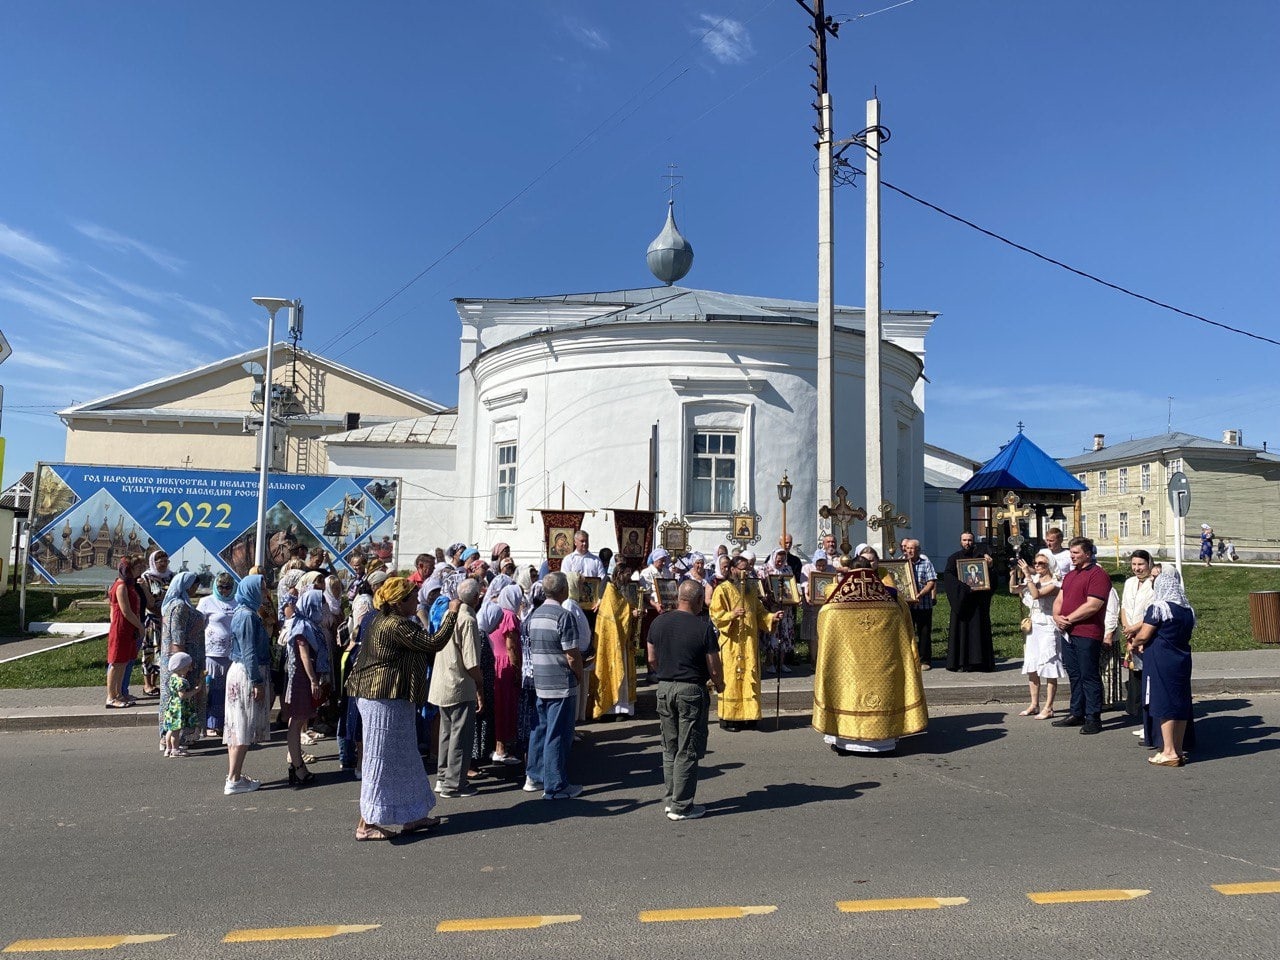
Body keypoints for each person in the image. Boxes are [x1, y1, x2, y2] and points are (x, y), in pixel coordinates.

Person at [345, 576, 459, 840]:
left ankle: (412, 815)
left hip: (391, 697)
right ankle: (366, 824)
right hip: (381, 697)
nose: (417, 601)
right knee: (379, 758)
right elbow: (433, 643)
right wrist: (452, 613)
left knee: (405, 756)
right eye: (412, 597)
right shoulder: (395, 624)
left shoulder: (383, 620)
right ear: (398, 602)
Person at [812, 567, 928, 754]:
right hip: (883, 667)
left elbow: (824, 636)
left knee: (848, 695)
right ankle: (884, 740)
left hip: (849, 668)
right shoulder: (894, 603)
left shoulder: (832, 607)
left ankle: (846, 741)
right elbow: (906, 633)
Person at [647, 580, 724, 821]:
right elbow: (713, 665)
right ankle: (682, 806)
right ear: (699, 600)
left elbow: (651, 658)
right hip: (691, 688)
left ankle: (671, 799)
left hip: (665, 687)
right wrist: (720, 685)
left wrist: (665, 670)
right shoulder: (703, 627)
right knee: (688, 749)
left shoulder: (658, 622)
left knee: (669, 746)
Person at [524, 572, 584, 800]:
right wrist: (578, 674)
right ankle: (555, 785)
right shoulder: (563, 615)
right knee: (557, 734)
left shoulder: (535, 614)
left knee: (540, 730)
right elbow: (571, 655)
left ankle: (535, 775)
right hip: (560, 681)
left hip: (541, 679)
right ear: (562, 591)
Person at [1131, 568, 1196, 766]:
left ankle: (1168, 751)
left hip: (1161, 658)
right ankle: (1177, 748)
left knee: (1163, 703)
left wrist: (1134, 643)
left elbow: (1144, 634)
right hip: (1182, 658)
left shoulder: (1159, 607)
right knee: (1180, 702)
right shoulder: (1187, 610)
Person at [709, 554, 778, 731]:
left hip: (749, 642)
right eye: (742, 569)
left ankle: (749, 715)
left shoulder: (751, 589)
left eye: (748, 569)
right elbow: (715, 615)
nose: (746, 572)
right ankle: (729, 718)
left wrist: (772, 617)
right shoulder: (722, 589)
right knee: (732, 679)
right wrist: (731, 615)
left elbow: (760, 612)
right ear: (732, 570)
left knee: (750, 676)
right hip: (731, 643)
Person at [1051, 537, 1112, 735]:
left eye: (1076, 552)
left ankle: (1093, 717)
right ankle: (1077, 712)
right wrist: (1056, 616)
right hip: (1068, 633)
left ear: (1087, 553)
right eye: (1071, 552)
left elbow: (1093, 605)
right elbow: (1060, 599)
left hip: (1087, 632)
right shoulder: (1070, 576)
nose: (1072, 555)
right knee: (1074, 674)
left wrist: (1068, 619)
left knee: (1089, 675)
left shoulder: (1097, 575)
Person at [431, 578, 485, 798]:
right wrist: (480, 686)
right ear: (475, 598)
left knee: (447, 733)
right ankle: (455, 784)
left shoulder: (449, 613)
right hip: (459, 684)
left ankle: (444, 777)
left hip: (443, 682)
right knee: (460, 737)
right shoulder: (468, 620)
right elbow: (471, 662)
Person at [224, 575, 272, 795]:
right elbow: (249, 652)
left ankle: (234, 775)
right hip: (246, 674)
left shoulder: (245, 612)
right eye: (262, 589)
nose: (265, 592)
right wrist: (256, 681)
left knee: (237, 726)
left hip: (242, 672)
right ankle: (234, 779)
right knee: (242, 727)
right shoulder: (247, 617)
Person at [284, 590, 330, 787]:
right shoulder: (302, 626)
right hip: (301, 678)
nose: (323, 609)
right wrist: (313, 680)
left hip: (307, 676)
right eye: (320, 605)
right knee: (297, 720)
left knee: (301, 718)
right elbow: (303, 656)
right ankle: (297, 766)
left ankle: (298, 765)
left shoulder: (310, 624)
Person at [1011, 551, 1063, 719]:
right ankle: (1034, 704)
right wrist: (1013, 574)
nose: (1038, 566)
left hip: (1048, 626)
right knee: (1032, 665)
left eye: (1042, 563)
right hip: (1034, 626)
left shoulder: (1056, 584)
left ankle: (1049, 706)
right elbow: (1014, 590)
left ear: (1050, 566)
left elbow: (1036, 594)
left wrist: (1027, 574)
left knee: (1048, 666)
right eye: (1036, 563)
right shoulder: (1034, 580)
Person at [158, 570, 205, 751]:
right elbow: (177, 639)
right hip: (182, 663)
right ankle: (174, 739)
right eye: (194, 585)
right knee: (179, 700)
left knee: (176, 701)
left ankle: (175, 738)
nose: (195, 589)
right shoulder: (179, 607)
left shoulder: (176, 604)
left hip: (182, 662)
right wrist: (184, 665)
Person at [591, 563, 641, 719]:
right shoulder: (610, 590)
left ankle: (623, 708)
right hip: (612, 641)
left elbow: (623, 608)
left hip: (622, 640)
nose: (628, 578)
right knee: (613, 670)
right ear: (619, 574)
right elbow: (614, 616)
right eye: (626, 574)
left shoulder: (619, 590)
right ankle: (612, 709)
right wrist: (630, 613)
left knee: (623, 674)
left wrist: (635, 611)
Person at [941, 533, 995, 672]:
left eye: (970, 540)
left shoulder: (981, 558)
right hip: (962, 602)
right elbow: (948, 577)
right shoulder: (954, 558)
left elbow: (990, 578)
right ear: (960, 541)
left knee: (979, 630)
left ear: (973, 541)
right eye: (964, 540)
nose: (967, 543)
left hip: (978, 602)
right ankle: (960, 662)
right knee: (961, 631)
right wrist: (965, 588)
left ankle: (980, 663)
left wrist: (990, 566)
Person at [486, 584, 524, 763]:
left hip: (495, 661)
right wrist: (517, 668)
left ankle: (499, 744)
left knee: (498, 705)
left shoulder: (496, 611)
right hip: (506, 663)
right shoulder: (510, 616)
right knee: (505, 705)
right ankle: (501, 747)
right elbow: (511, 645)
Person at [198, 573, 236, 738]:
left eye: (228, 587)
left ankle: (223, 723)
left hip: (232, 653)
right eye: (221, 587)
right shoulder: (206, 602)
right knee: (211, 689)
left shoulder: (237, 601)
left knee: (227, 691)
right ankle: (209, 723)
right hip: (212, 653)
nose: (225, 591)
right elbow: (199, 624)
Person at [1120, 550, 1156, 726]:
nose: (1137, 568)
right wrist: (1127, 628)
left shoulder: (1154, 584)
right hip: (1131, 635)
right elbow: (1124, 607)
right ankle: (1139, 715)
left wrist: (1134, 629)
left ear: (1149, 564)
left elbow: (1153, 612)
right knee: (1135, 674)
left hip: (1146, 634)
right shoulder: (1130, 582)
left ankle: (1149, 718)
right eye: (1134, 564)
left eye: (1140, 564)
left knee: (1147, 676)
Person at [106, 556, 145, 709]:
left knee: (124, 661)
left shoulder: (130, 585)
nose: (140, 571)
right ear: (128, 570)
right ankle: (111, 696)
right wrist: (140, 626)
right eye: (137, 568)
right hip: (122, 626)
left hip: (129, 628)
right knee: (116, 662)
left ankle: (119, 693)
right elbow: (125, 611)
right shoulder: (121, 585)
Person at [139, 550, 174, 697]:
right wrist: (156, 610)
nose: (164, 564)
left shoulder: (171, 577)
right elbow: (146, 599)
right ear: (154, 562)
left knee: (163, 651)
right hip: (152, 620)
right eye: (161, 562)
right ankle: (147, 684)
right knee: (150, 651)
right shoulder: (147, 577)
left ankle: (157, 682)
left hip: (167, 620)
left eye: (166, 561)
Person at [903, 540, 937, 670]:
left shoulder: (926, 563)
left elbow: (931, 582)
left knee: (924, 634)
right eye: (908, 548)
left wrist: (920, 594)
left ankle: (924, 660)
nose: (910, 551)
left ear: (918, 550)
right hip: (907, 606)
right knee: (907, 633)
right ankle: (909, 659)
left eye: (912, 548)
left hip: (923, 605)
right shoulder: (902, 564)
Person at [762, 548, 796, 675]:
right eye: (778, 558)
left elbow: (791, 586)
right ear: (773, 556)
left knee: (784, 635)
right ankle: (770, 662)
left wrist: (793, 597)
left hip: (785, 609)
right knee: (772, 634)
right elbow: (761, 585)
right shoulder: (765, 569)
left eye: (782, 558)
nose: (780, 561)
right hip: (771, 608)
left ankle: (781, 663)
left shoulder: (787, 569)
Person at [161, 652, 199, 757]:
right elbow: (182, 695)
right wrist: (195, 691)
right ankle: (175, 749)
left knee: (170, 729)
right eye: (187, 667)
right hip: (178, 708)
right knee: (176, 731)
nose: (189, 669)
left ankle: (168, 749)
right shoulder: (181, 681)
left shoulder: (172, 677)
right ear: (181, 667)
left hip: (172, 706)